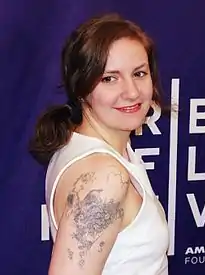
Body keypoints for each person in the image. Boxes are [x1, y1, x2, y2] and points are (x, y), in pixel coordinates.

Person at [29, 13, 169, 275]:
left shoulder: (102, 148)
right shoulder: (104, 177)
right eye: (109, 78)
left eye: (139, 73)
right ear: (81, 88)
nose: (132, 92)